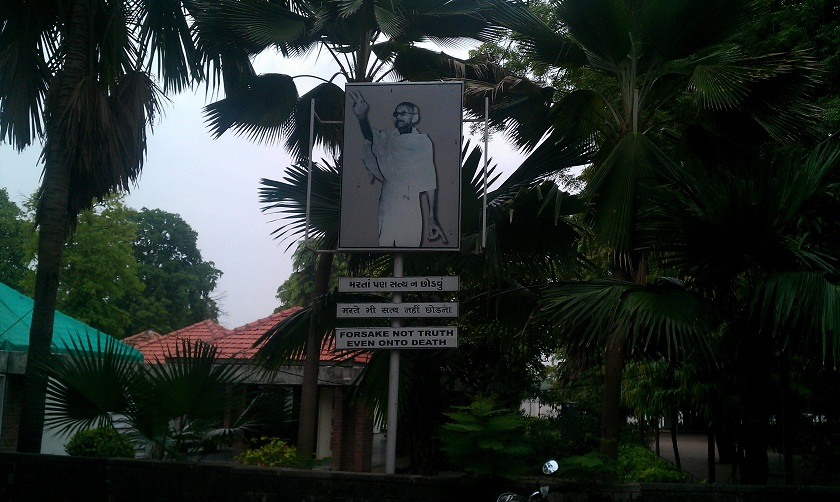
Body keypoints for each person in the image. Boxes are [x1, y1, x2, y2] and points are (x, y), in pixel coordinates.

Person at [349, 89, 447, 247]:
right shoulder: (388, 138)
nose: (398, 117)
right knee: (386, 241)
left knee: (410, 243)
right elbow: (370, 137)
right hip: (388, 200)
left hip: (410, 202)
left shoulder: (422, 142)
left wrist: (431, 217)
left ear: (414, 117)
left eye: (403, 113)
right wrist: (361, 116)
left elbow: (429, 178)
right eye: (396, 114)